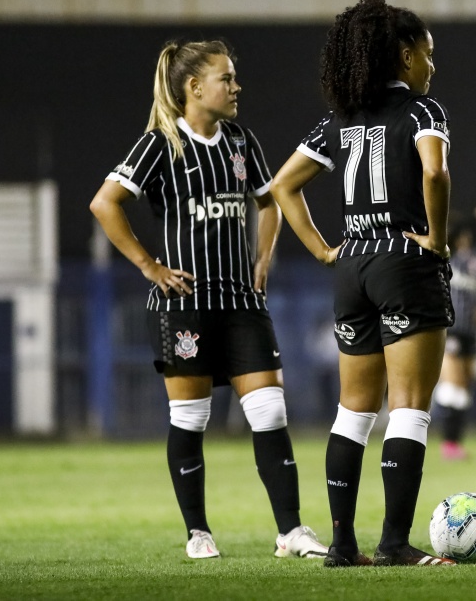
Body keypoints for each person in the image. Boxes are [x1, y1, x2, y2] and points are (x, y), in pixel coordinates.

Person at [89, 39, 328, 561]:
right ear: (194, 87)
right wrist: (150, 267)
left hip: (241, 302)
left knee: (268, 410)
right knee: (191, 418)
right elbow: (105, 203)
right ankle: (198, 532)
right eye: (227, 78)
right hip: (186, 308)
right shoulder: (160, 145)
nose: (236, 86)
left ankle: (290, 531)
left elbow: (270, 202)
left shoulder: (243, 142)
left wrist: (263, 258)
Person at [270, 0, 456, 567]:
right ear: (403, 56)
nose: (432, 66)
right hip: (404, 261)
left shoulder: (341, 119)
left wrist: (324, 249)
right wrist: (438, 239)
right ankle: (395, 543)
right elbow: (435, 172)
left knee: (353, 410)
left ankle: (343, 545)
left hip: (351, 268)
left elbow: (281, 186)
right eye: (427, 54)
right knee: (407, 408)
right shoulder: (424, 113)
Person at [433, 203, 476, 460]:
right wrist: (475, 216)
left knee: (465, 386)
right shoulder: (443, 255)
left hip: (471, 331)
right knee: (455, 384)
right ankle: (449, 443)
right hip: (451, 329)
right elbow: (455, 224)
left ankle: (454, 441)